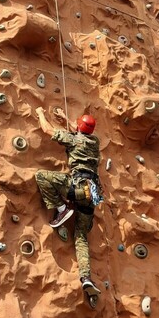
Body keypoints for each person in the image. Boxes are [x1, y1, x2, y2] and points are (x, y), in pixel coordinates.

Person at [35, 107, 103, 296]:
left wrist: (41, 113)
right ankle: (86, 278)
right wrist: (65, 117)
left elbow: (48, 130)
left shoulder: (73, 139)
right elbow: (80, 131)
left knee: (42, 176)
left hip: (77, 187)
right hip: (93, 195)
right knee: (81, 237)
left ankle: (62, 208)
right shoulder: (95, 142)